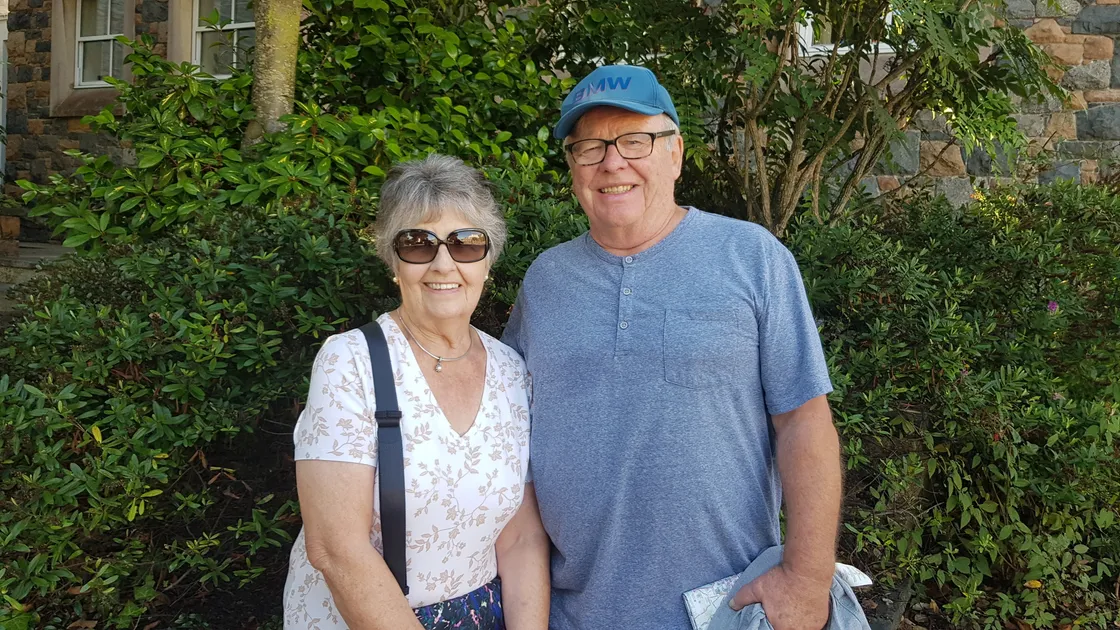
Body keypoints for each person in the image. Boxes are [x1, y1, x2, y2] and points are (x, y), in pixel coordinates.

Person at [502, 65, 843, 630]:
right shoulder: (545, 281)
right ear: (573, 168)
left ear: (676, 153)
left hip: (724, 611)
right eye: (589, 148)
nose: (613, 162)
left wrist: (807, 582)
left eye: (635, 141)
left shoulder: (753, 258)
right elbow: (512, 441)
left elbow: (805, 423)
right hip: (569, 612)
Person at [284, 154, 550, 630]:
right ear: (394, 262)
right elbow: (336, 549)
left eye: (466, 243)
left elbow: (521, 536)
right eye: (418, 243)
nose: (443, 263)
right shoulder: (351, 362)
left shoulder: (511, 370)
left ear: (488, 261)